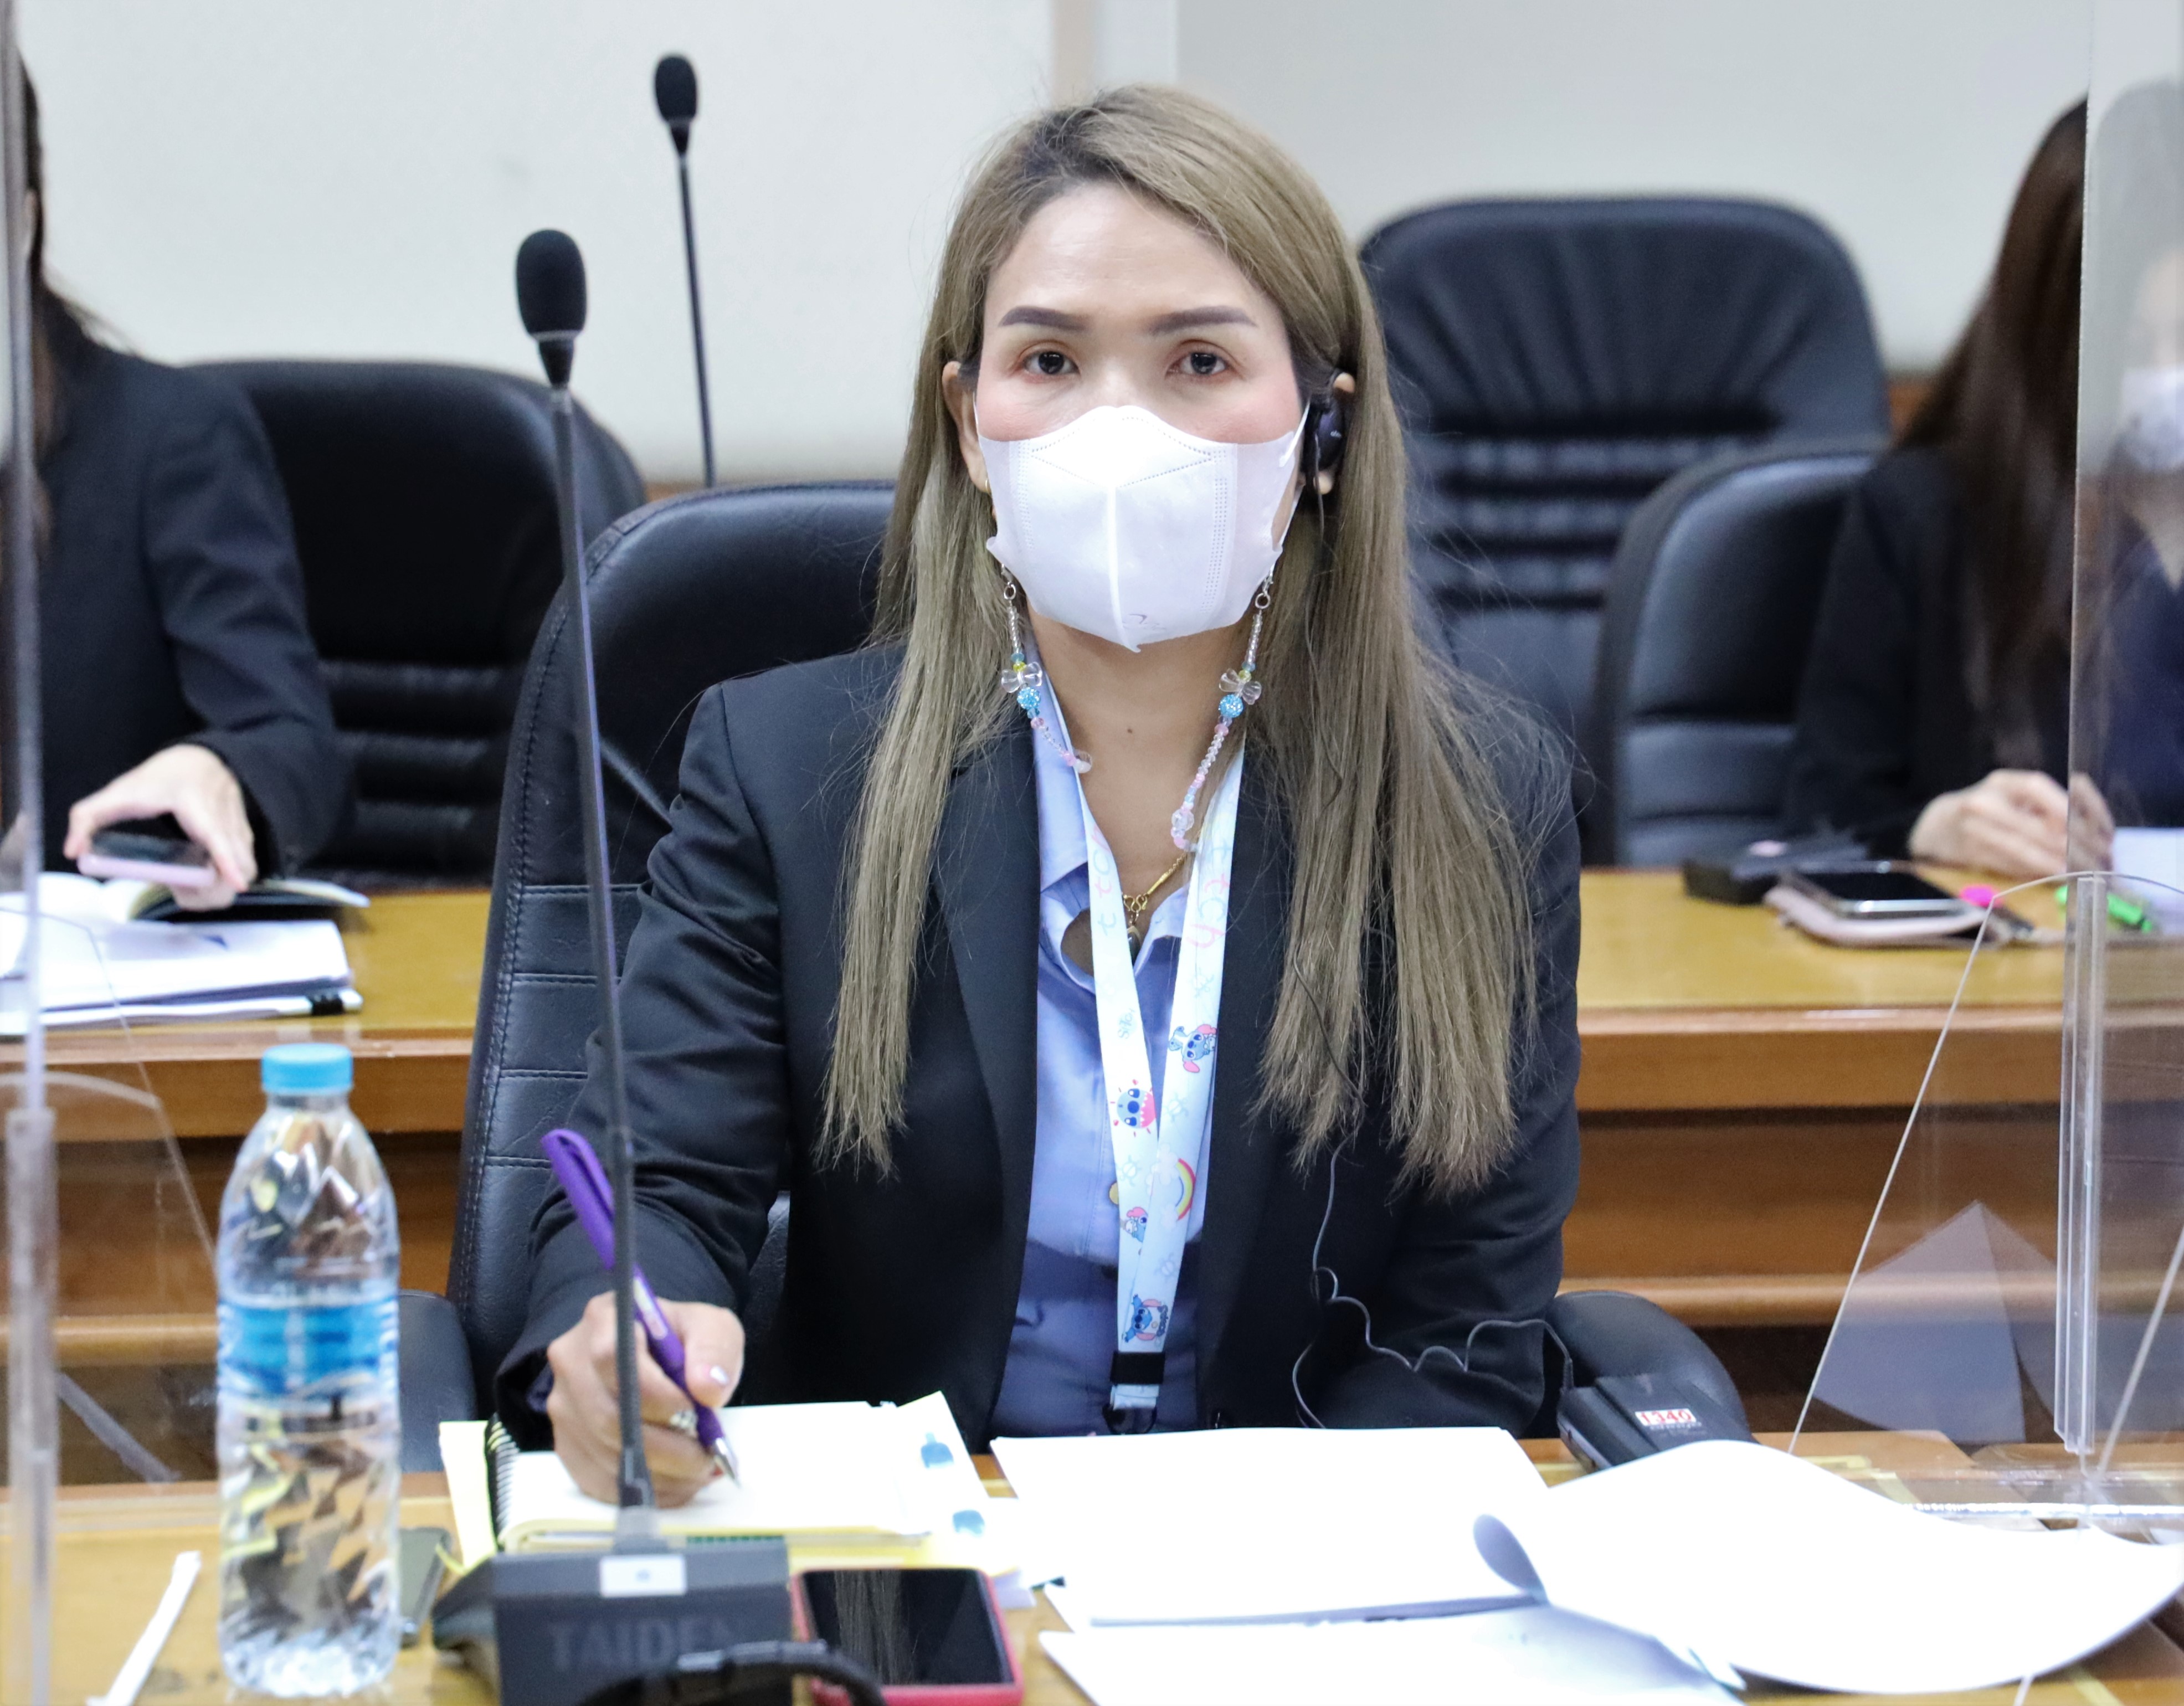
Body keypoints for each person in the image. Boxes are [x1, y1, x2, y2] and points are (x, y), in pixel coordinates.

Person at [499, 87, 1580, 1504]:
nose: (1114, 425)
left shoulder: (1481, 807)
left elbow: (1467, 1323)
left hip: (1301, 1553)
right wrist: (623, 1328)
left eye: (1198, 359)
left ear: (1322, 431)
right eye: (1051, 359)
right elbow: (657, 1181)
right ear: (969, 422)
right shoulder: (785, 770)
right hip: (917, 1547)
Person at [18, 76, 347, 903]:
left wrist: (217, 770)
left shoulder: (168, 439)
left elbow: (294, 744)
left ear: (21, 222)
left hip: (92, 964)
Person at [1784, 103, 2091, 878]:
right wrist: (1932, 829)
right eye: (2151, 347)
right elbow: (1822, 814)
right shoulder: (1922, 514)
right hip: (2005, 939)